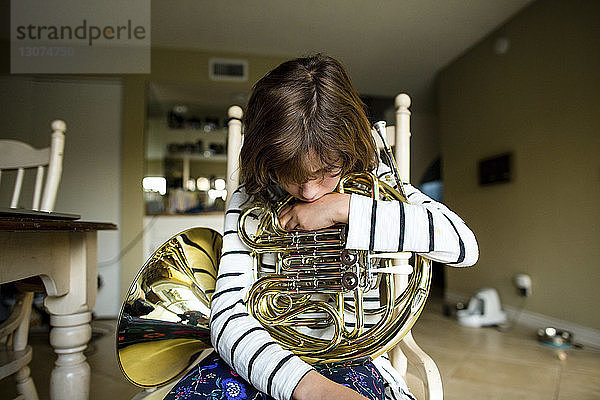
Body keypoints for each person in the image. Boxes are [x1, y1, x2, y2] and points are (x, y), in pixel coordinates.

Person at [165, 54, 478, 400]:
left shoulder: (377, 182)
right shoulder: (248, 198)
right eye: (292, 176)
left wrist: (344, 209)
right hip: (264, 353)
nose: (311, 193)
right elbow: (227, 317)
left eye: (327, 172)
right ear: (266, 160)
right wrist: (309, 388)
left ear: (347, 150)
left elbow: (464, 244)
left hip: (358, 361)